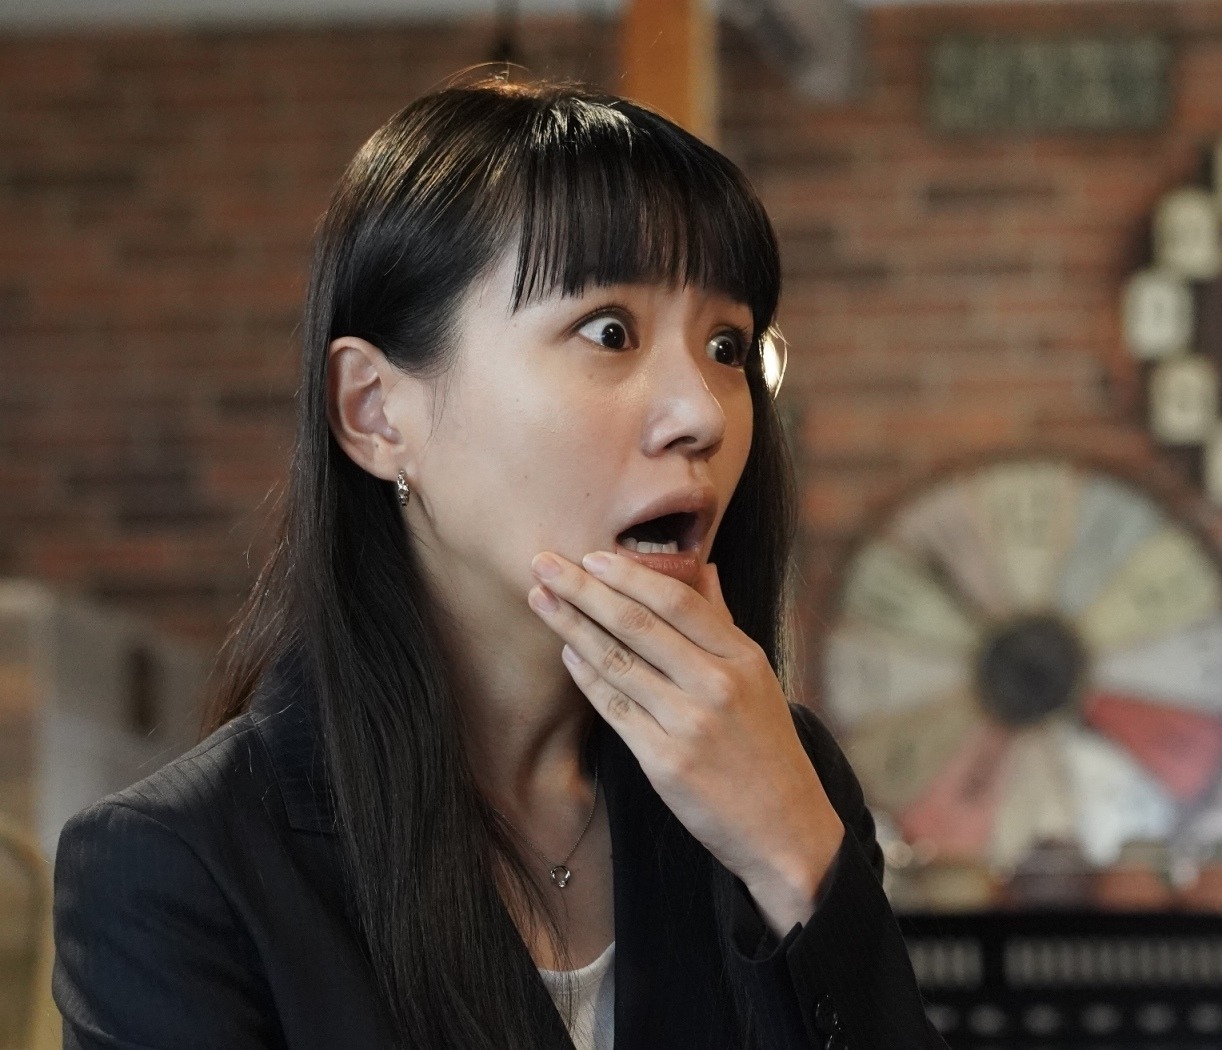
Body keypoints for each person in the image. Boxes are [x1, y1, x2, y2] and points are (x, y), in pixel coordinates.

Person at [51, 77, 944, 1049]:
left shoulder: (783, 776)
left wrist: (795, 857)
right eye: (610, 331)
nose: (701, 413)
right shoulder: (179, 870)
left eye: (726, 345)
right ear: (376, 412)